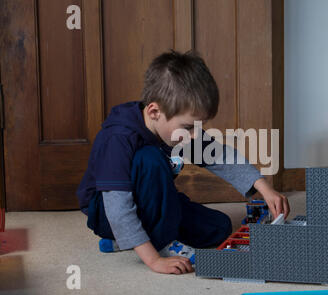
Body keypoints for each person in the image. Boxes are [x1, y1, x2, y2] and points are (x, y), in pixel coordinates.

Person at [76, 50, 290, 275]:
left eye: (199, 127)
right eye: (189, 127)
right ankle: (151, 240)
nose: (196, 135)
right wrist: (154, 260)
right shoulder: (119, 138)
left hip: (154, 203)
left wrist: (263, 187)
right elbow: (118, 209)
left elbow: (219, 155)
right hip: (107, 212)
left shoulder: (179, 130)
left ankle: (125, 241)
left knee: (219, 227)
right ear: (155, 111)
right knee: (150, 159)